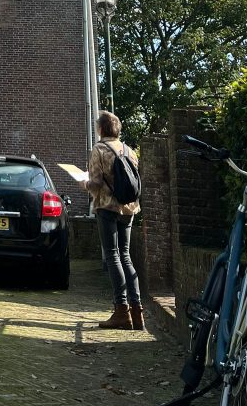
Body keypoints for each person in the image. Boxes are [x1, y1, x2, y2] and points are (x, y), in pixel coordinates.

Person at [79, 110, 144, 330]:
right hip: (129, 208)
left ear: (101, 129)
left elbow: (96, 184)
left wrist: (83, 183)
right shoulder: (129, 150)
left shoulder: (99, 149)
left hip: (107, 207)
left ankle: (121, 311)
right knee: (125, 256)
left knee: (113, 255)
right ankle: (137, 312)